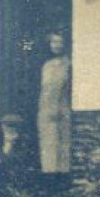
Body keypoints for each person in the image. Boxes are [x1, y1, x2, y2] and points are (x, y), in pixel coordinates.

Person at [36, 32, 73, 177]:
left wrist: (58, 107)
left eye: (60, 42)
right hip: (45, 108)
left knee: (62, 143)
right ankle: (49, 177)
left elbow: (64, 88)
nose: (56, 45)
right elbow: (45, 88)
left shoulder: (68, 64)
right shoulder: (47, 65)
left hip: (61, 107)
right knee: (48, 143)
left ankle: (62, 176)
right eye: (53, 42)